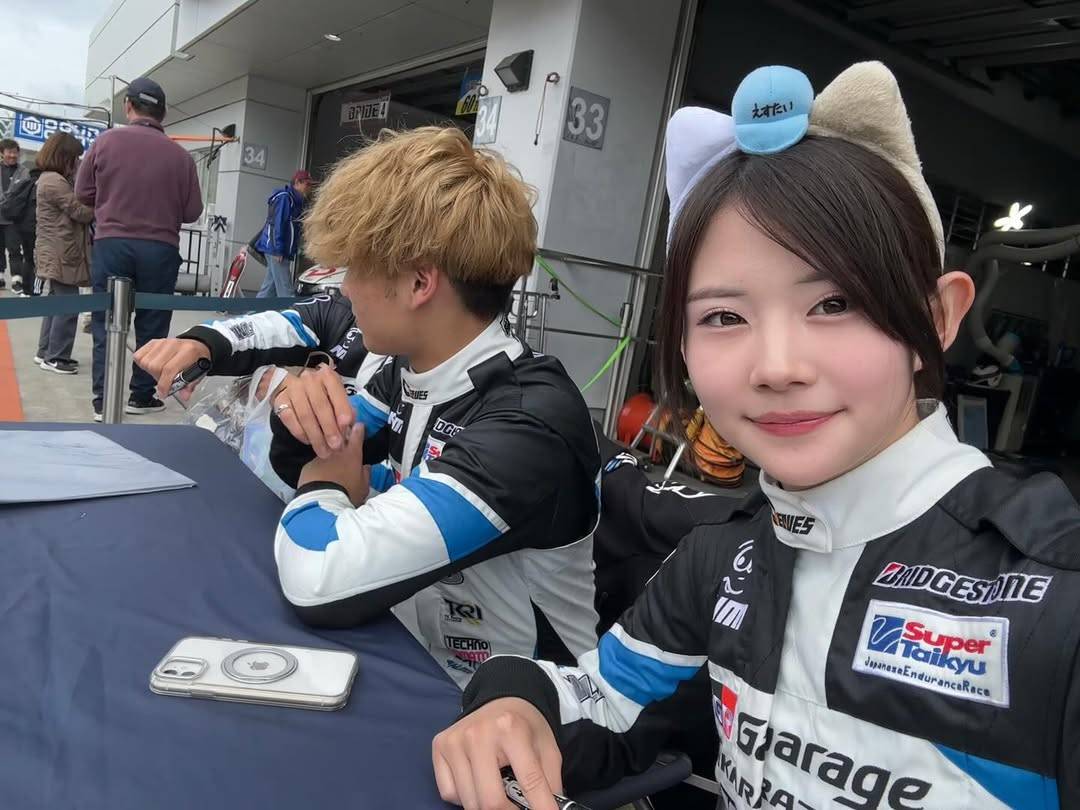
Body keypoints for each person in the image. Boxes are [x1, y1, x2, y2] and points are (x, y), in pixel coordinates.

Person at [431, 63, 1080, 810]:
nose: (776, 367)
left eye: (835, 303)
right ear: (681, 346)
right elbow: (604, 702)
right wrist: (513, 699)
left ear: (937, 318)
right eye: (723, 317)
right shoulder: (720, 556)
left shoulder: (1055, 593)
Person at [265, 126, 602, 687]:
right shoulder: (407, 369)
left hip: (528, 714)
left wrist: (326, 483)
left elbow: (318, 576)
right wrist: (297, 412)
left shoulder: (529, 422)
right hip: (422, 670)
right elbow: (311, 456)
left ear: (420, 282)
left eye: (354, 268)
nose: (344, 290)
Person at [76, 76, 202, 420]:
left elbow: (83, 193)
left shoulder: (105, 142)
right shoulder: (181, 157)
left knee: (106, 320)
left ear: (128, 106)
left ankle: (103, 399)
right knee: (153, 324)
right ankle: (141, 396)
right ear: (163, 114)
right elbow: (192, 211)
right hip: (160, 248)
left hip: (112, 243)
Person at [33, 133, 94, 374]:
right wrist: (102, 203)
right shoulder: (54, 182)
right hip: (60, 252)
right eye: (75, 158)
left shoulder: (49, 179)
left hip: (55, 251)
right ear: (63, 157)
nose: (77, 163)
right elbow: (80, 212)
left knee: (55, 304)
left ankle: (45, 352)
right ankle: (56, 356)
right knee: (69, 304)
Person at [254, 169, 314, 298]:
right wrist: (279, 250)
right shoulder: (286, 199)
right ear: (297, 183)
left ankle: (254, 310)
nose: (309, 188)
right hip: (277, 250)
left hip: (275, 248)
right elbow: (279, 224)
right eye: (307, 184)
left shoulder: (292, 200)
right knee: (286, 291)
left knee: (269, 289)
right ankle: (291, 310)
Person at [0, 139, 36, 296]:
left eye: (15, 152)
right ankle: (0, 277)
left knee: (14, 249)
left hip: (14, 218)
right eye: (9, 152)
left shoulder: (24, 172)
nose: (12, 155)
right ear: (2, 153)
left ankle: (16, 281)